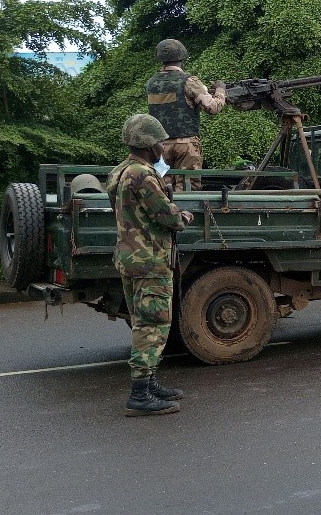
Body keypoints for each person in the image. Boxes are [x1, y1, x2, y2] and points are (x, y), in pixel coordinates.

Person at [106, 114, 194, 417]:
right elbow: (166, 217)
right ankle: (140, 395)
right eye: (158, 141)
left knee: (143, 320)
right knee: (153, 324)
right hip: (150, 261)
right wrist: (182, 217)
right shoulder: (142, 174)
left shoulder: (121, 171)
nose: (162, 147)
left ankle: (150, 381)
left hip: (130, 258)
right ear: (147, 143)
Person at [146, 38, 227, 191]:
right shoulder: (189, 81)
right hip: (186, 146)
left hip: (159, 147)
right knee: (188, 192)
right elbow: (213, 107)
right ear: (183, 57)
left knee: (163, 190)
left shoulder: (151, 83)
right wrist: (220, 90)